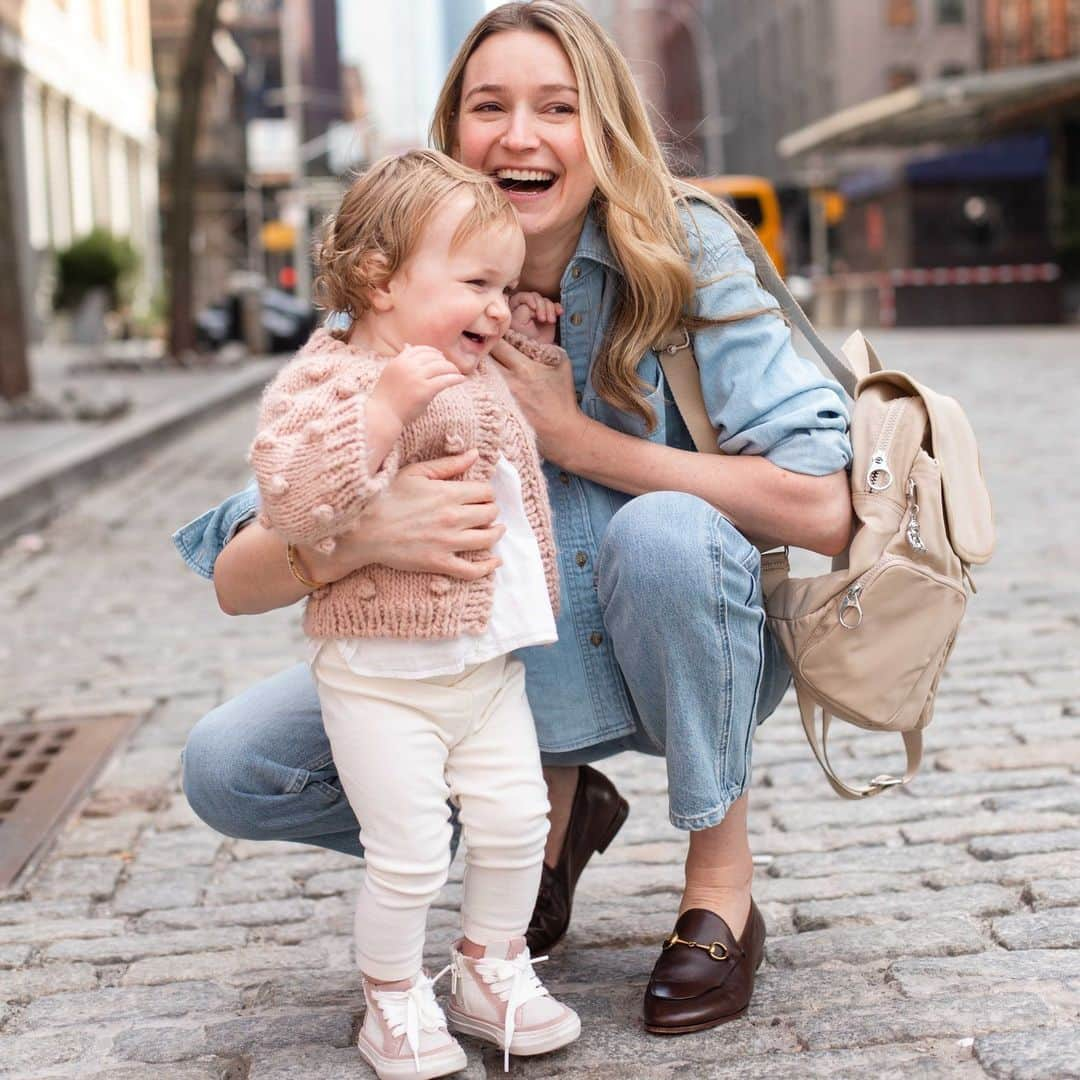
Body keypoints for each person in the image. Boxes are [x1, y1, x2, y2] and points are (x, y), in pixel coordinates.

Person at [174, 0, 852, 1039]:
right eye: (489, 106)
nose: (519, 136)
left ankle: (722, 884)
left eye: (557, 108)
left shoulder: (685, 251)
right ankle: (549, 817)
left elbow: (826, 507)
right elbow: (238, 570)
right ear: (453, 136)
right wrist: (370, 531)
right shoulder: (400, 294)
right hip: (484, 681)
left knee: (661, 532)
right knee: (231, 765)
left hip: (675, 647)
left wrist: (581, 443)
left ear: (605, 131)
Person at [247, 149, 581, 1079]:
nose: (495, 307)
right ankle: (391, 997)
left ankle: (490, 966)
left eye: (506, 286)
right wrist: (382, 415)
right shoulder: (335, 379)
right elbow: (292, 495)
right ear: (378, 281)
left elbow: (524, 389)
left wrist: (530, 328)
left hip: (485, 672)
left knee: (518, 824)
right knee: (409, 854)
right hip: (379, 681)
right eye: (476, 282)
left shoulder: (471, 361)